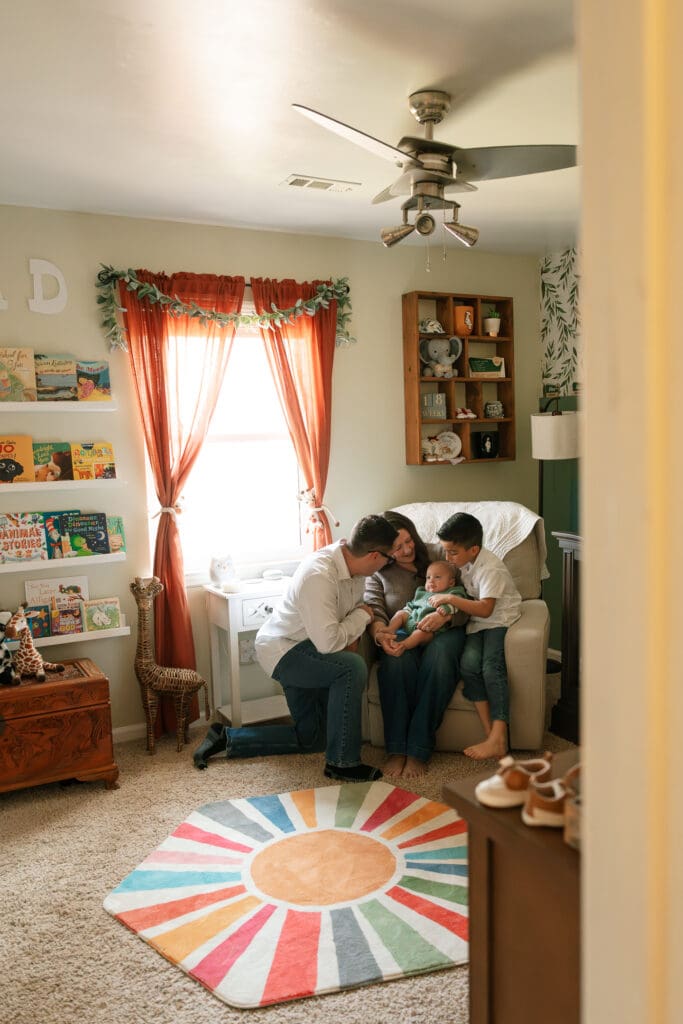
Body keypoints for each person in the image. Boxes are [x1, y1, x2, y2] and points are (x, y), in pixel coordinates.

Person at [193, 514, 398, 782]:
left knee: (313, 739)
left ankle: (226, 737)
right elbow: (331, 640)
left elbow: (344, 630)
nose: (389, 563)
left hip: (313, 650)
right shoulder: (319, 575)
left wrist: (358, 620)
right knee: (352, 668)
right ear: (373, 555)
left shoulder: (356, 571)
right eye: (389, 558)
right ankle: (342, 763)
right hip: (284, 650)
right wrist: (363, 616)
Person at [364, 511, 467, 780]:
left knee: (441, 656)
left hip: (446, 629)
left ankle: (419, 749)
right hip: (401, 630)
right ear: (384, 551)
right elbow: (375, 611)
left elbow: (466, 598)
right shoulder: (378, 573)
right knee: (396, 660)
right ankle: (397, 749)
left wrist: (445, 614)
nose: (407, 549)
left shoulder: (439, 555)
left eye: (408, 541)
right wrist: (381, 634)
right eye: (396, 548)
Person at [434, 511, 522, 761]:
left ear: (473, 549)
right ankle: (492, 736)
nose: (447, 557)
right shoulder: (464, 563)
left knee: (490, 668)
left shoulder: (490, 568)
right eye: (445, 551)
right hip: (477, 623)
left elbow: (486, 608)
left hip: (497, 620)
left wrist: (451, 599)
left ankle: (499, 731)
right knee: (469, 666)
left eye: (452, 552)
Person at [385, 560, 467, 653]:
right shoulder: (422, 592)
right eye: (428, 577)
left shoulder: (453, 592)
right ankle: (390, 630)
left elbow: (459, 602)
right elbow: (412, 604)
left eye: (437, 577)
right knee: (400, 613)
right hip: (412, 620)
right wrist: (406, 612)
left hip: (429, 629)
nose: (431, 580)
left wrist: (446, 609)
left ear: (451, 582)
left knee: (420, 634)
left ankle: (403, 645)